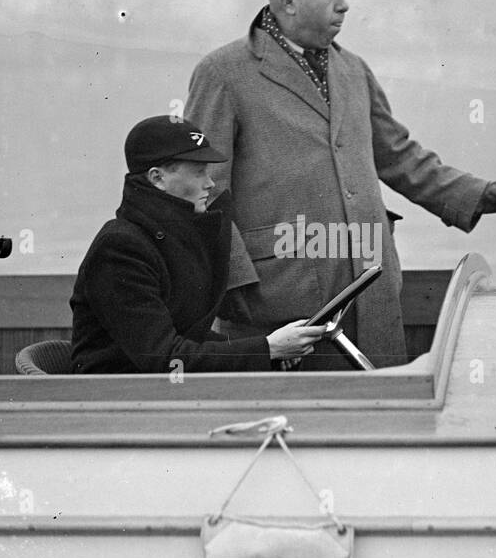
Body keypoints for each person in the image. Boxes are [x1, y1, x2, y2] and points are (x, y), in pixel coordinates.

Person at [185, 0, 496, 369]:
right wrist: (236, 288)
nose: (345, 4)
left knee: (382, 420)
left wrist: (474, 193)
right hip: (280, 305)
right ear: (289, 1)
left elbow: (398, 154)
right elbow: (200, 187)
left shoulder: (353, 69)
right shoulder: (223, 73)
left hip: (371, 291)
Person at [69, 115, 326, 374]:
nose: (210, 183)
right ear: (157, 178)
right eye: (199, 172)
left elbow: (188, 338)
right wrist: (267, 349)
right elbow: (166, 359)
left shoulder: (164, 238)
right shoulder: (120, 248)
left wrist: (268, 349)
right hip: (118, 399)